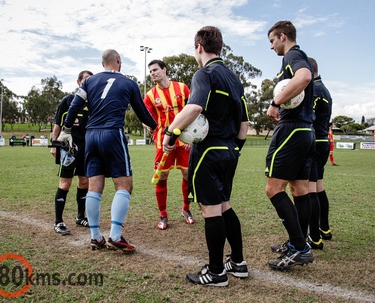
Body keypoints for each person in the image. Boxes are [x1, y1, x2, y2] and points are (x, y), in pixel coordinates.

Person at [163, 26, 249, 286]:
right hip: (230, 150)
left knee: (211, 210)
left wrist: (171, 132)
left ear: (199, 46)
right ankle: (237, 262)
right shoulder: (234, 78)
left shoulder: (204, 73)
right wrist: (233, 149)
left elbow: (195, 107)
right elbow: (244, 123)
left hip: (209, 151)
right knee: (224, 205)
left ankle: (216, 272)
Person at [58, 49, 157, 252]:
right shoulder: (128, 83)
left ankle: (96, 236)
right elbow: (141, 112)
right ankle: (115, 235)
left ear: (102, 64)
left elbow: (74, 106)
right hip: (112, 133)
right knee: (124, 185)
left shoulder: (88, 82)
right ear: (118, 61)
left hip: (91, 136)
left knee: (94, 186)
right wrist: (155, 126)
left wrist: (66, 129)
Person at [265, 20, 315, 270]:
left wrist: (275, 102)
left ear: (283, 36)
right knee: (299, 190)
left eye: (272, 41)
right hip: (306, 130)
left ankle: (300, 247)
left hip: (292, 129)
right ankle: (299, 240)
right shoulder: (298, 55)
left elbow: (304, 76)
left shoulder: (293, 56)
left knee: (273, 189)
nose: (271, 47)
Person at [143, 59, 193, 230]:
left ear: (164, 70)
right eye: (150, 71)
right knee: (162, 177)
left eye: (155, 70)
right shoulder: (150, 95)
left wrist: (191, 138)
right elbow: (145, 117)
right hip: (162, 143)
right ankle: (163, 214)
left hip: (184, 140)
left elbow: (193, 110)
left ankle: (186, 209)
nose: (153, 73)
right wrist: (148, 126)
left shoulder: (182, 88)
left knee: (187, 174)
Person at [51, 70, 93, 235]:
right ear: (78, 82)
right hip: (69, 148)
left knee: (84, 182)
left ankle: (80, 217)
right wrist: (54, 145)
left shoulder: (94, 102)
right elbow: (57, 124)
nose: (89, 83)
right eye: (86, 80)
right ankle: (58, 221)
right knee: (65, 183)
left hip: (87, 149)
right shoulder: (67, 101)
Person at [307, 57, 333, 249]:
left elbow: (308, 117)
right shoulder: (324, 89)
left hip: (315, 142)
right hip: (323, 141)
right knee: (319, 187)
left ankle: (314, 237)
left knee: (310, 190)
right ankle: (324, 228)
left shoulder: (315, 90)